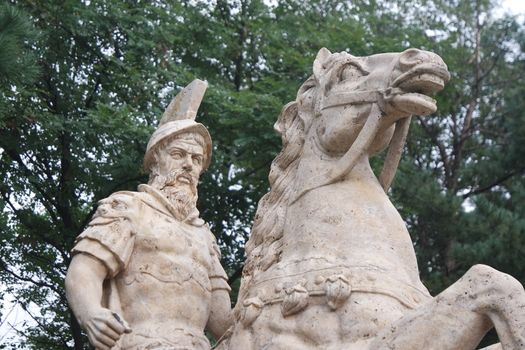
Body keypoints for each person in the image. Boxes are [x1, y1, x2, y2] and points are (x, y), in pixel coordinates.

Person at [65, 80, 232, 350]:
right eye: (178, 154)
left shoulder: (205, 237)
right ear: (156, 161)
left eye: (196, 159)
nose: (188, 165)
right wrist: (91, 314)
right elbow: (85, 270)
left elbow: (224, 323)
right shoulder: (129, 208)